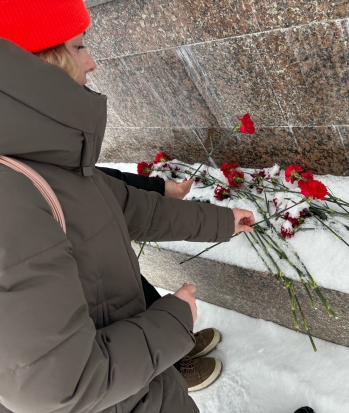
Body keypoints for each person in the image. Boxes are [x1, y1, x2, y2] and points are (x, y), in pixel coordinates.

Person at [0, 1, 255, 412]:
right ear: (36, 66)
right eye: (79, 47)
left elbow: (132, 208)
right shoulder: (11, 194)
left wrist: (220, 221)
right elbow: (57, 387)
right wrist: (172, 320)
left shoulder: (48, 163)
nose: (92, 62)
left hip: (139, 387)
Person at [97, 167, 225, 387]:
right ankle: (170, 371)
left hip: (101, 253)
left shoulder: (55, 158)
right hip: (68, 274)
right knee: (117, 321)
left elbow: (99, 179)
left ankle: (176, 344)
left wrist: (159, 188)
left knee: (140, 296)